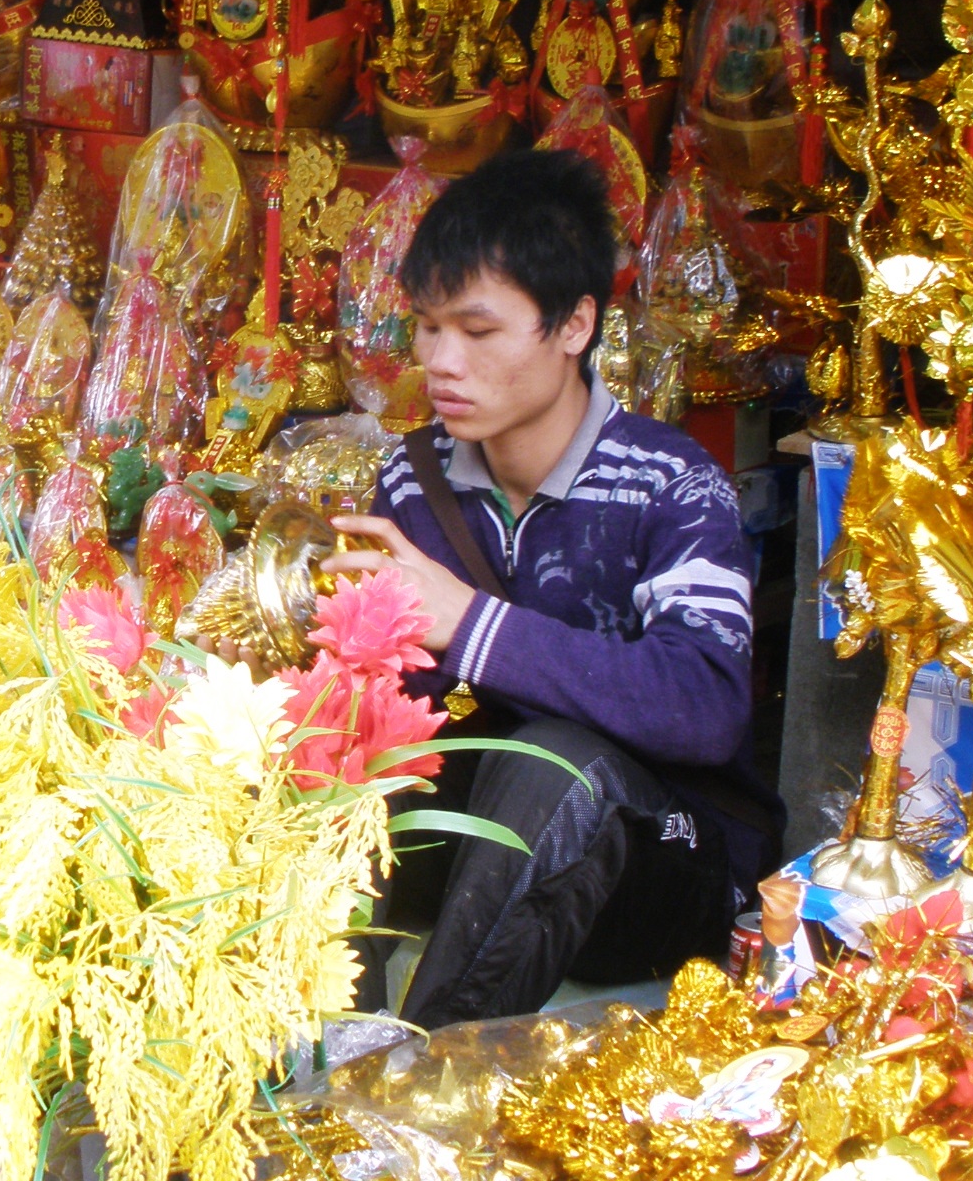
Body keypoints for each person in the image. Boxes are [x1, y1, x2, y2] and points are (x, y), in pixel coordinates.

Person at [325, 147, 783, 1026]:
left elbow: (706, 703)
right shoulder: (414, 482)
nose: (441, 362)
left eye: (479, 330)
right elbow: (401, 716)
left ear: (574, 325)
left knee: (564, 765)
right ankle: (342, 1048)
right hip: (473, 855)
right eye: (427, 327)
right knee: (342, 739)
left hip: (655, 869)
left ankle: (425, 1070)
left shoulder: (675, 485)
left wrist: (470, 625)